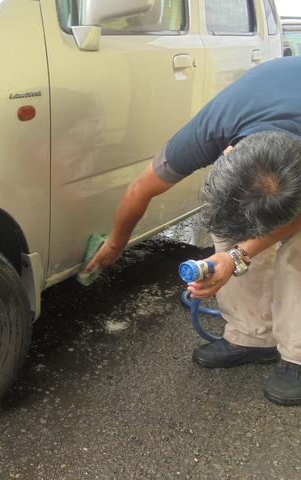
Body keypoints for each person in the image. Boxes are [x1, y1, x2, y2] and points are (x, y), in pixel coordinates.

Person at [84, 55, 301, 405]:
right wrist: (115, 242)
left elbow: (294, 217)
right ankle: (252, 336)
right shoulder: (213, 127)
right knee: (230, 224)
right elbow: (140, 189)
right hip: (265, 106)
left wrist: (239, 256)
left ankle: (298, 356)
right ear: (228, 152)